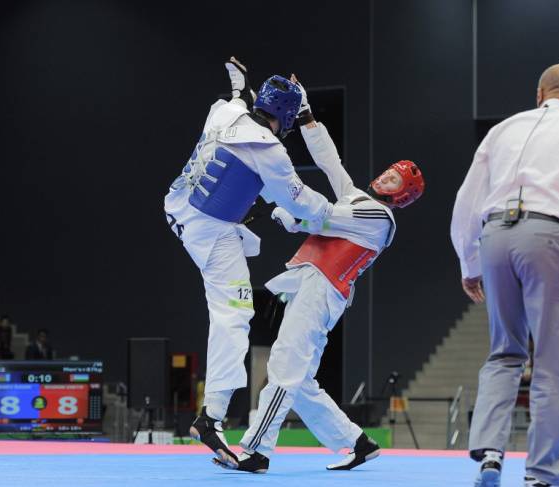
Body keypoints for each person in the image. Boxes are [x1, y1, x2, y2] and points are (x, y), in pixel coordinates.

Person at [213, 75, 425, 473]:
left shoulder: (379, 217)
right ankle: (356, 442)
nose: (385, 175)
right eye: (388, 170)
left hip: (323, 288)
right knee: (302, 382)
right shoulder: (361, 199)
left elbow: (322, 215)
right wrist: (308, 117)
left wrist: (286, 213)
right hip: (315, 286)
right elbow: (331, 162)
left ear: (401, 196)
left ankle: (255, 449)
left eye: (394, 179)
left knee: (284, 366)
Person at [450, 63, 559, 487]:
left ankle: (491, 454)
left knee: (504, 352)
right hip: (550, 238)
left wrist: (468, 262)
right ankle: (541, 475)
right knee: (552, 362)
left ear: (539, 93)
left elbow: (466, 202)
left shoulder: (503, 130)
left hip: (494, 237)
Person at [163, 58, 332, 467]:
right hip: (211, 233)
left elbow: (234, 102)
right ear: (287, 117)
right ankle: (211, 417)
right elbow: (298, 200)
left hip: (177, 206)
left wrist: (240, 89)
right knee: (234, 314)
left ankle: (213, 415)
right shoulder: (269, 149)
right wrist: (335, 211)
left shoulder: (226, 110)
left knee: (247, 205)